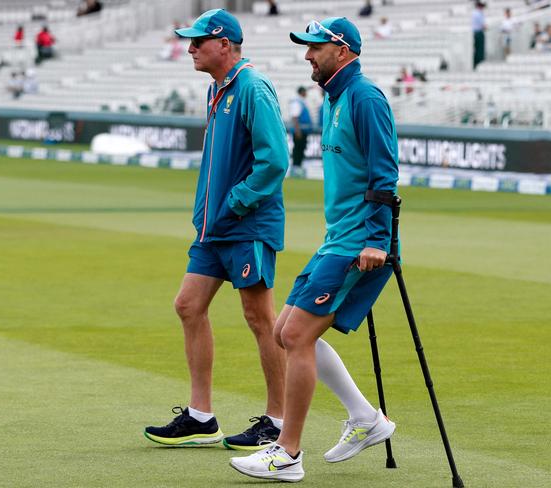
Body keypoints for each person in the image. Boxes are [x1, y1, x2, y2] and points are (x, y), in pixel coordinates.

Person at [230, 16, 397, 482]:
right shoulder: (334, 98)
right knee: (286, 332)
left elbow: (385, 175)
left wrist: (377, 240)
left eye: (315, 47)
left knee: (297, 336)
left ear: (342, 51)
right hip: (338, 239)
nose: (307, 55)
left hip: (361, 241)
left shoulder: (364, 98)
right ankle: (366, 419)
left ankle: (287, 453)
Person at [143, 9, 289, 452]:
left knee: (260, 320)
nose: (190, 48)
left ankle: (278, 421)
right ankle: (201, 417)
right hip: (214, 227)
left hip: (247, 225)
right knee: (188, 305)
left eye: (198, 41)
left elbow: (276, 161)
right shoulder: (217, 89)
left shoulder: (252, 88)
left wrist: (236, 201)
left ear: (224, 45)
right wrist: (209, 211)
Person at [289, 86, 312, 173]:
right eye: (305, 92)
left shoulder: (301, 102)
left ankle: (298, 166)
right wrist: (297, 131)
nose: (306, 93)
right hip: (299, 131)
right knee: (298, 149)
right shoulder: (297, 103)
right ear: (302, 92)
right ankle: (296, 167)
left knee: (301, 148)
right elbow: (295, 117)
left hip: (302, 131)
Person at [472, 2, 486, 69]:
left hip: (474, 33)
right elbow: (483, 25)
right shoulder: (479, 14)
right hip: (479, 33)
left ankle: (475, 64)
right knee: (479, 50)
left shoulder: (474, 13)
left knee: (475, 50)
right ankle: (479, 65)